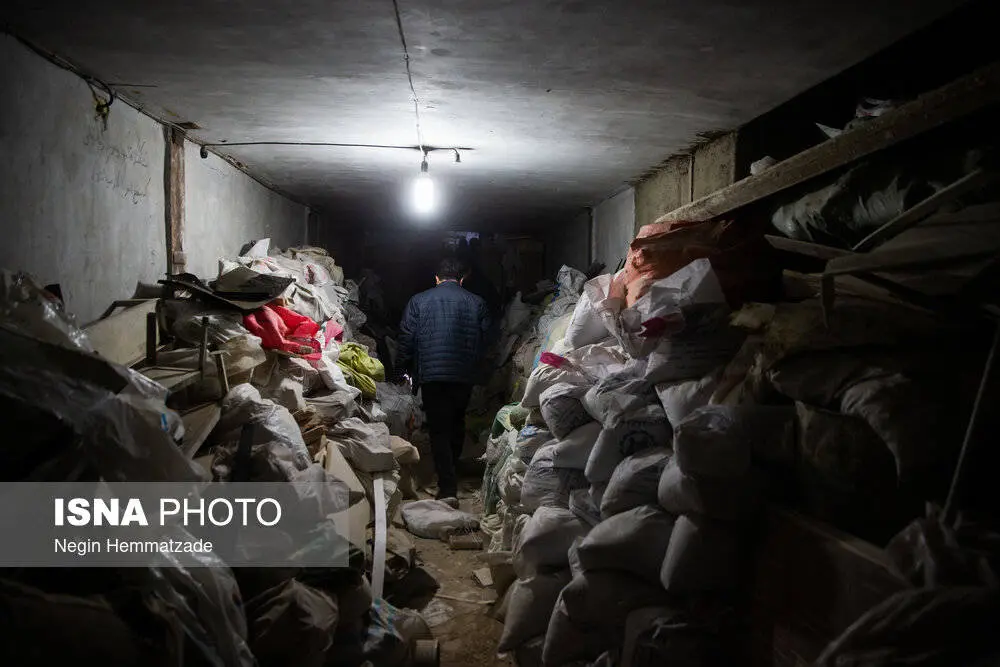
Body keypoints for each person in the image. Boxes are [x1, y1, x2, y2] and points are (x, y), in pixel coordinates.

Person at [395, 257, 492, 500]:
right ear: (462, 278)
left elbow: (406, 339)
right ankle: (453, 470)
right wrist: (479, 370)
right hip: (463, 375)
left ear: (436, 278)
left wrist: (399, 370)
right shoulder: (477, 302)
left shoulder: (418, 301)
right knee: (457, 421)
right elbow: (487, 340)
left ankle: (447, 487)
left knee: (438, 429)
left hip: (432, 374)